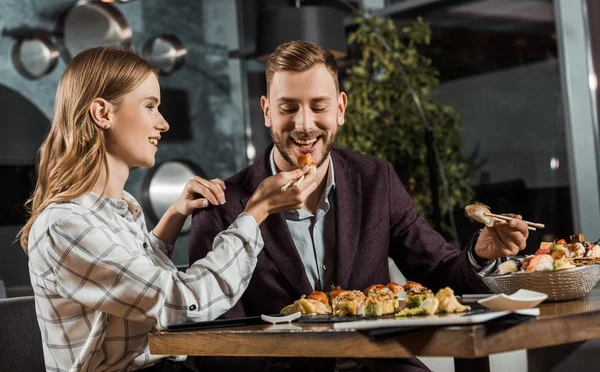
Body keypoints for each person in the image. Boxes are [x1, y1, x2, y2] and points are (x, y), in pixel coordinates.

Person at [188, 40, 529, 372]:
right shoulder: (220, 206)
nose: (304, 124)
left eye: (319, 107)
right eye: (288, 108)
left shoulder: (376, 178)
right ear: (266, 111)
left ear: (340, 109)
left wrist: (481, 254)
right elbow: (218, 347)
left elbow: (439, 269)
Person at [20, 46, 318, 372]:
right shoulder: (64, 226)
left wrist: (175, 216)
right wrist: (257, 211)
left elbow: (133, 282)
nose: (163, 124)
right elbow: (184, 301)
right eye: (150, 106)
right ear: (103, 114)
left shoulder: (120, 209)